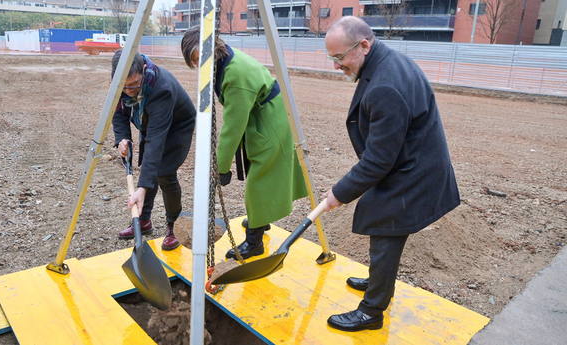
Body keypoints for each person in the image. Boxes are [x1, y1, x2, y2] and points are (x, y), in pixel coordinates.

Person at [322, 16, 460, 332]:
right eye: (332, 58)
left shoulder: (386, 84)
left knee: (385, 226)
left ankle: (371, 311)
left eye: (339, 58)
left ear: (364, 45)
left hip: (415, 171)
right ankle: (377, 281)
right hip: (410, 161)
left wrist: (339, 193)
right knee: (382, 223)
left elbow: (377, 161)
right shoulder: (384, 62)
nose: (335, 66)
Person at [181, 26, 307, 260]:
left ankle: (254, 242)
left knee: (259, 181)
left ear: (214, 48)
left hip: (269, 121)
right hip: (264, 114)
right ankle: (260, 219)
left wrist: (220, 168)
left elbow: (233, 128)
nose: (200, 64)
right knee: (260, 176)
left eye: (201, 57)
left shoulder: (235, 76)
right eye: (195, 60)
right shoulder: (225, 58)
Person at [111, 50, 196, 251]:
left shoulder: (161, 89)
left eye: (133, 85)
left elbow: (156, 142)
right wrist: (122, 138)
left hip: (177, 125)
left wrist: (142, 188)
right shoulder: (120, 85)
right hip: (149, 121)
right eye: (123, 86)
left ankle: (174, 225)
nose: (128, 90)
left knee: (164, 173)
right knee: (147, 169)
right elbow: (118, 112)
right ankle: (144, 220)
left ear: (144, 70)